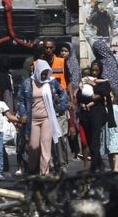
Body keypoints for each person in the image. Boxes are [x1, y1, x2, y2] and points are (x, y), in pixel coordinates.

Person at [16, 60, 69, 176]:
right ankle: (31, 170)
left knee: (46, 145)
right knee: (33, 146)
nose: (44, 76)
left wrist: (60, 108)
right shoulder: (27, 83)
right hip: (32, 120)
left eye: (46, 73)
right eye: (42, 73)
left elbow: (63, 95)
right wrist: (23, 113)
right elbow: (20, 100)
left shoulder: (51, 82)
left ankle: (44, 173)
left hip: (47, 118)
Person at [77, 61, 115, 173]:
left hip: (97, 114)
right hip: (85, 115)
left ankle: (96, 166)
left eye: (96, 70)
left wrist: (94, 86)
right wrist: (90, 96)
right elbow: (79, 95)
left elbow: (105, 91)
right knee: (89, 142)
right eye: (92, 70)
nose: (94, 73)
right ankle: (98, 164)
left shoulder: (103, 82)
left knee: (95, 143)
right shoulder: (85, 80)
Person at [41, 38, 69, 172]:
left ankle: (62, 163)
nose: (48, 50)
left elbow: (68, 83)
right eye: (46, 48)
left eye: (50, 48)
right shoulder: (37, 63)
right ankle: (49, 163)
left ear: (54, 48)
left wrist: (69, 102)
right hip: (43, 107)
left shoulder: (62, 62)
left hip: (58, 106)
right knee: (46, 137)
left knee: (60, 136)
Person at [102, 92, 118, 175]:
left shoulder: (116, 108)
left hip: (115, 132)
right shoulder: (102, 109)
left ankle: (116, 167)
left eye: (110, 96)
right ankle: (112, 168)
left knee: (116, 150)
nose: (107, 98)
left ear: (113, 98)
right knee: (110, 152)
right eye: (106, 97)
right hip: (106, 133)